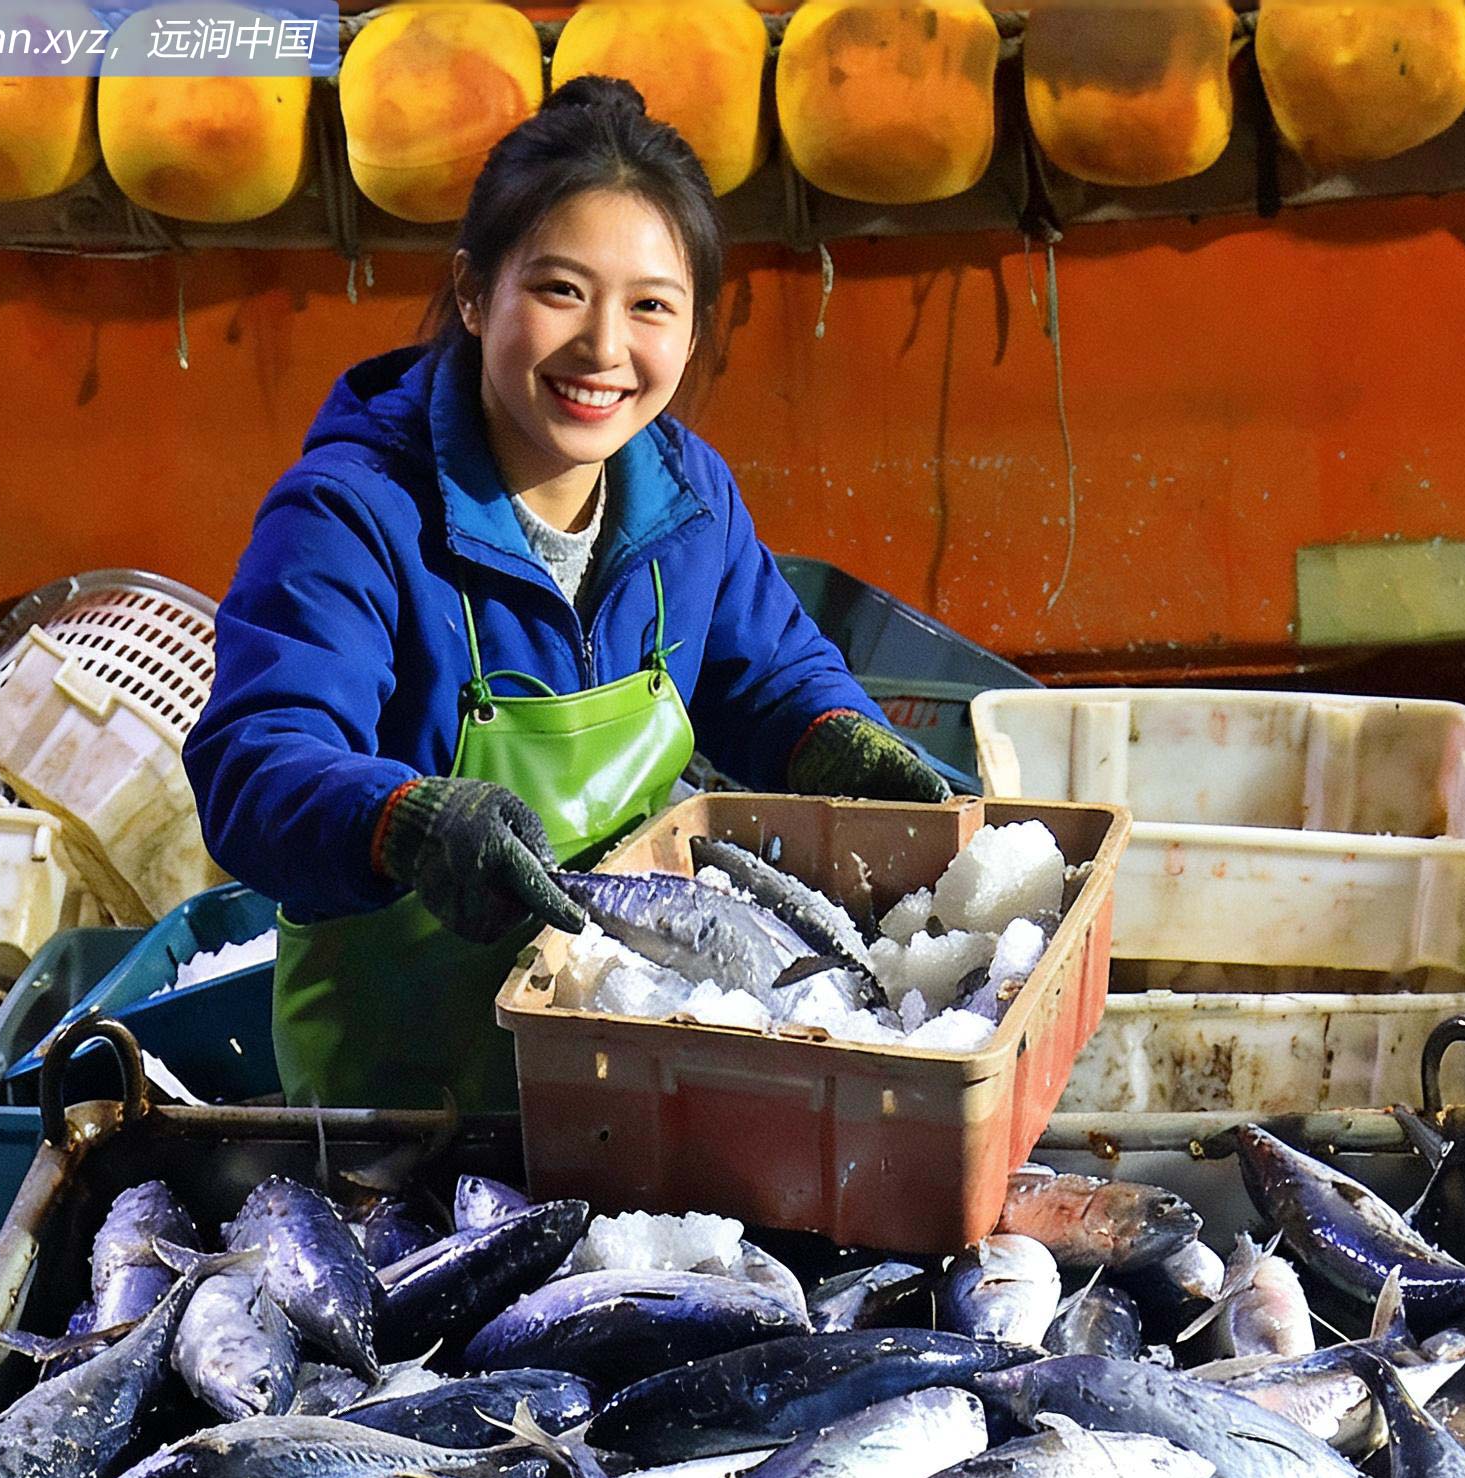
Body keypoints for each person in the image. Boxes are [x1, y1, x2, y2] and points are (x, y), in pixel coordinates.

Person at [185, 76, 953, 1113]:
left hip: (630, 1062)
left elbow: (767, 672)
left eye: (649, 306)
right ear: (471, 293)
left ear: (690, 331)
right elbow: (253, 763)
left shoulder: (686, 498)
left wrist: (837, 738)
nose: (602, 347)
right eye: (558, 290)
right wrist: (401, 822)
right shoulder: (349, 512)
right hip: (410, 1098)